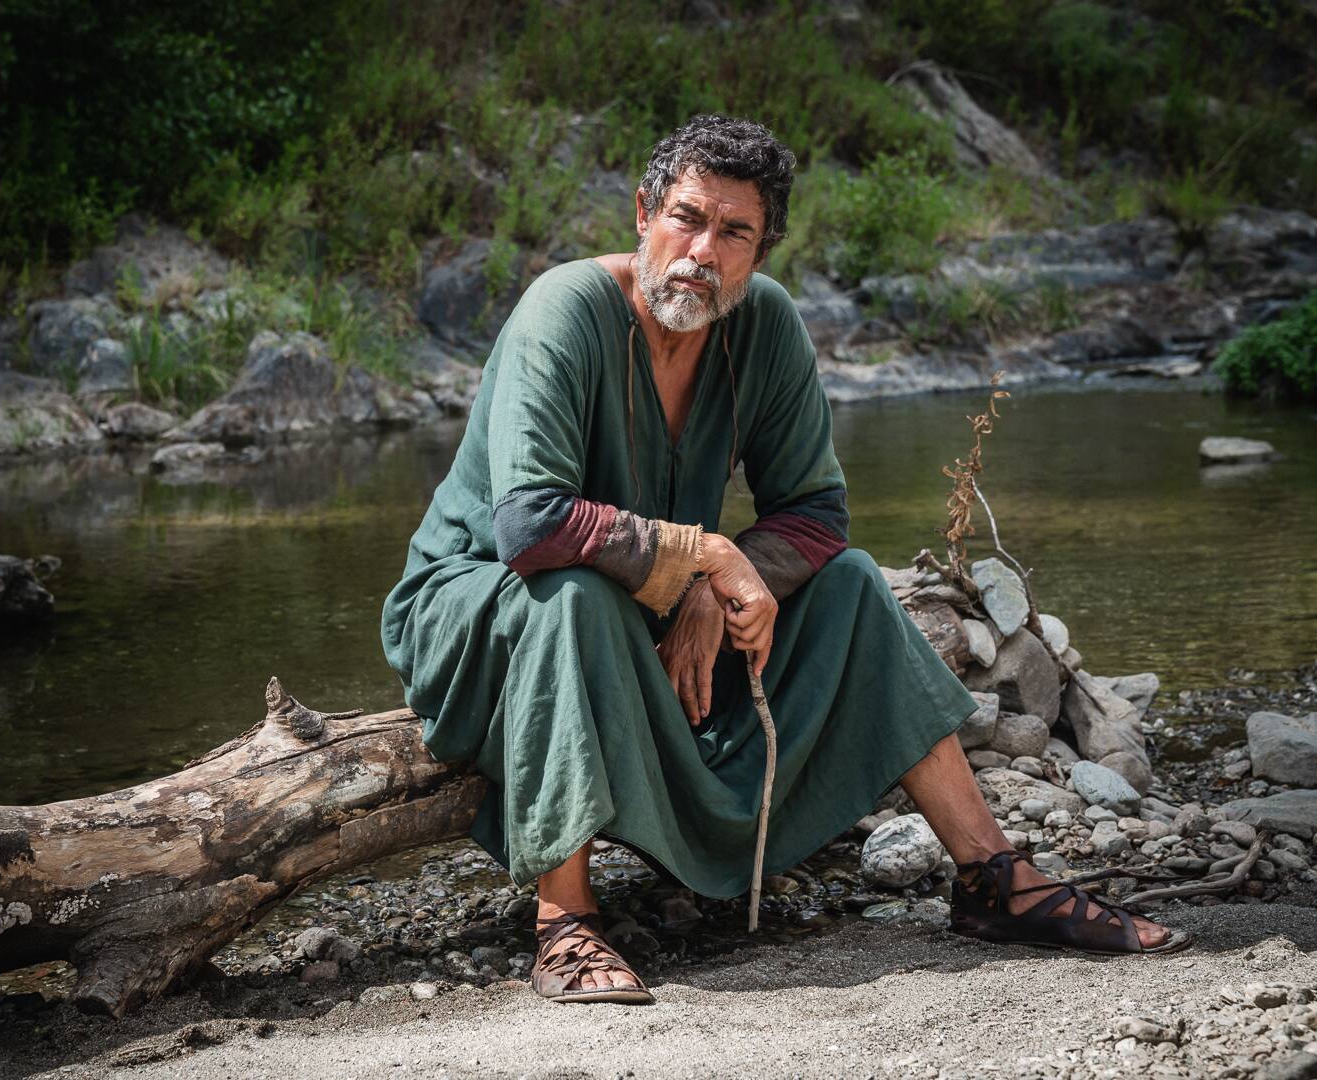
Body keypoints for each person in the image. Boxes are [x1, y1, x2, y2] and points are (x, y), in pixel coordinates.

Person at [380, 114, 1189, 1005]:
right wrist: (706, 555)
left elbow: (816, 513)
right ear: (644, 213)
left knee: (849, 584)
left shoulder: (762, 323)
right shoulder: (564, 309)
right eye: (686, 218)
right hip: (480, 604)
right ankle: (563, 920)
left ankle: (993, 879)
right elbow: (530, 527)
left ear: (761, 251)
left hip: (639, 601)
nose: (702, 253)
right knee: (573, 595)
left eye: (734, 233)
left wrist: (716, 586)